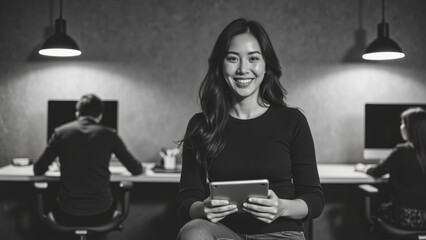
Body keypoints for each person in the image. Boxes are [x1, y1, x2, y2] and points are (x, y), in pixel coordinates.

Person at [176, 18, 324, 240]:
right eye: (233, 59)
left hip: (280, 233)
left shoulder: (292, 121)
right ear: (221, 65)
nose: (243, 69)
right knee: (193, 232)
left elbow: (314, 198)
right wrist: (202, 209)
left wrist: (282, 207)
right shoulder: (201, 124)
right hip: (224, 233)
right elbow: (187, 198)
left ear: (266, 66)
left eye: (253, 58)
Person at [34, 94, 142, 226]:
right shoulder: (110, 134)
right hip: (103, 214)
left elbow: (38, 169)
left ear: (77, 113)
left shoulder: (60, 133)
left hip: (66, 214)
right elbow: (135, 169)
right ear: (100, 115)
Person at [355, 107, 426, 230]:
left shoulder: (402, 151)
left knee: (378, 206)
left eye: (403, 123)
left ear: (411, 128)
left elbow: (377, 172)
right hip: (424, 220)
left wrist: (363, 168)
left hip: (405, 218)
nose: (401, 127)